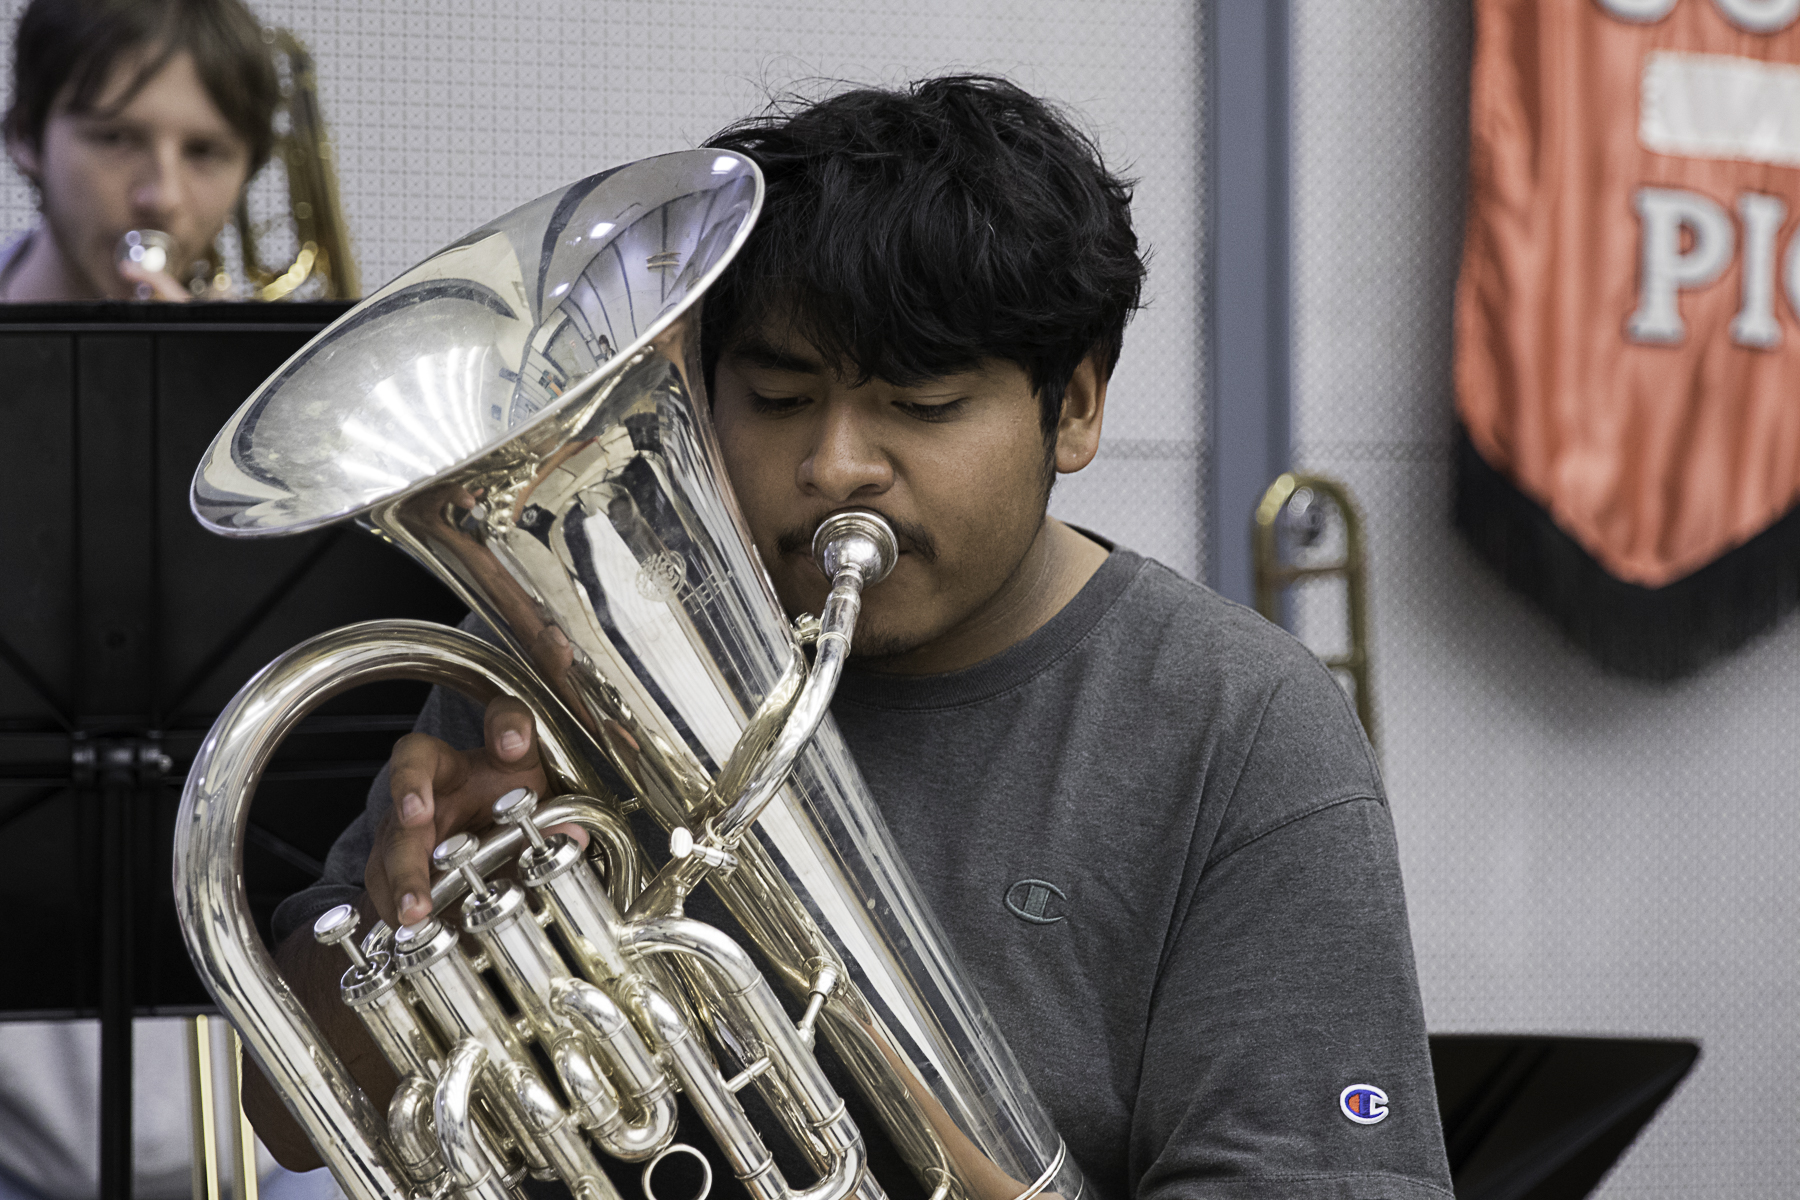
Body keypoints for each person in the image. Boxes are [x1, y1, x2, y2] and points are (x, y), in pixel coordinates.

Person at [251, 76, 1455, 1199]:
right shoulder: (567, 651)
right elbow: (292, 1110)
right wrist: (423, 920)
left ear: (1075, 405)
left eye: (922, 406)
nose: (834, 465)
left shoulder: (1236, 727)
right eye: (776, 400)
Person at [0, 0, 278, 302]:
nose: (163, 199)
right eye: (115, 138)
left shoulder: (258, 351)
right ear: (26, 137)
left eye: (203, 151)